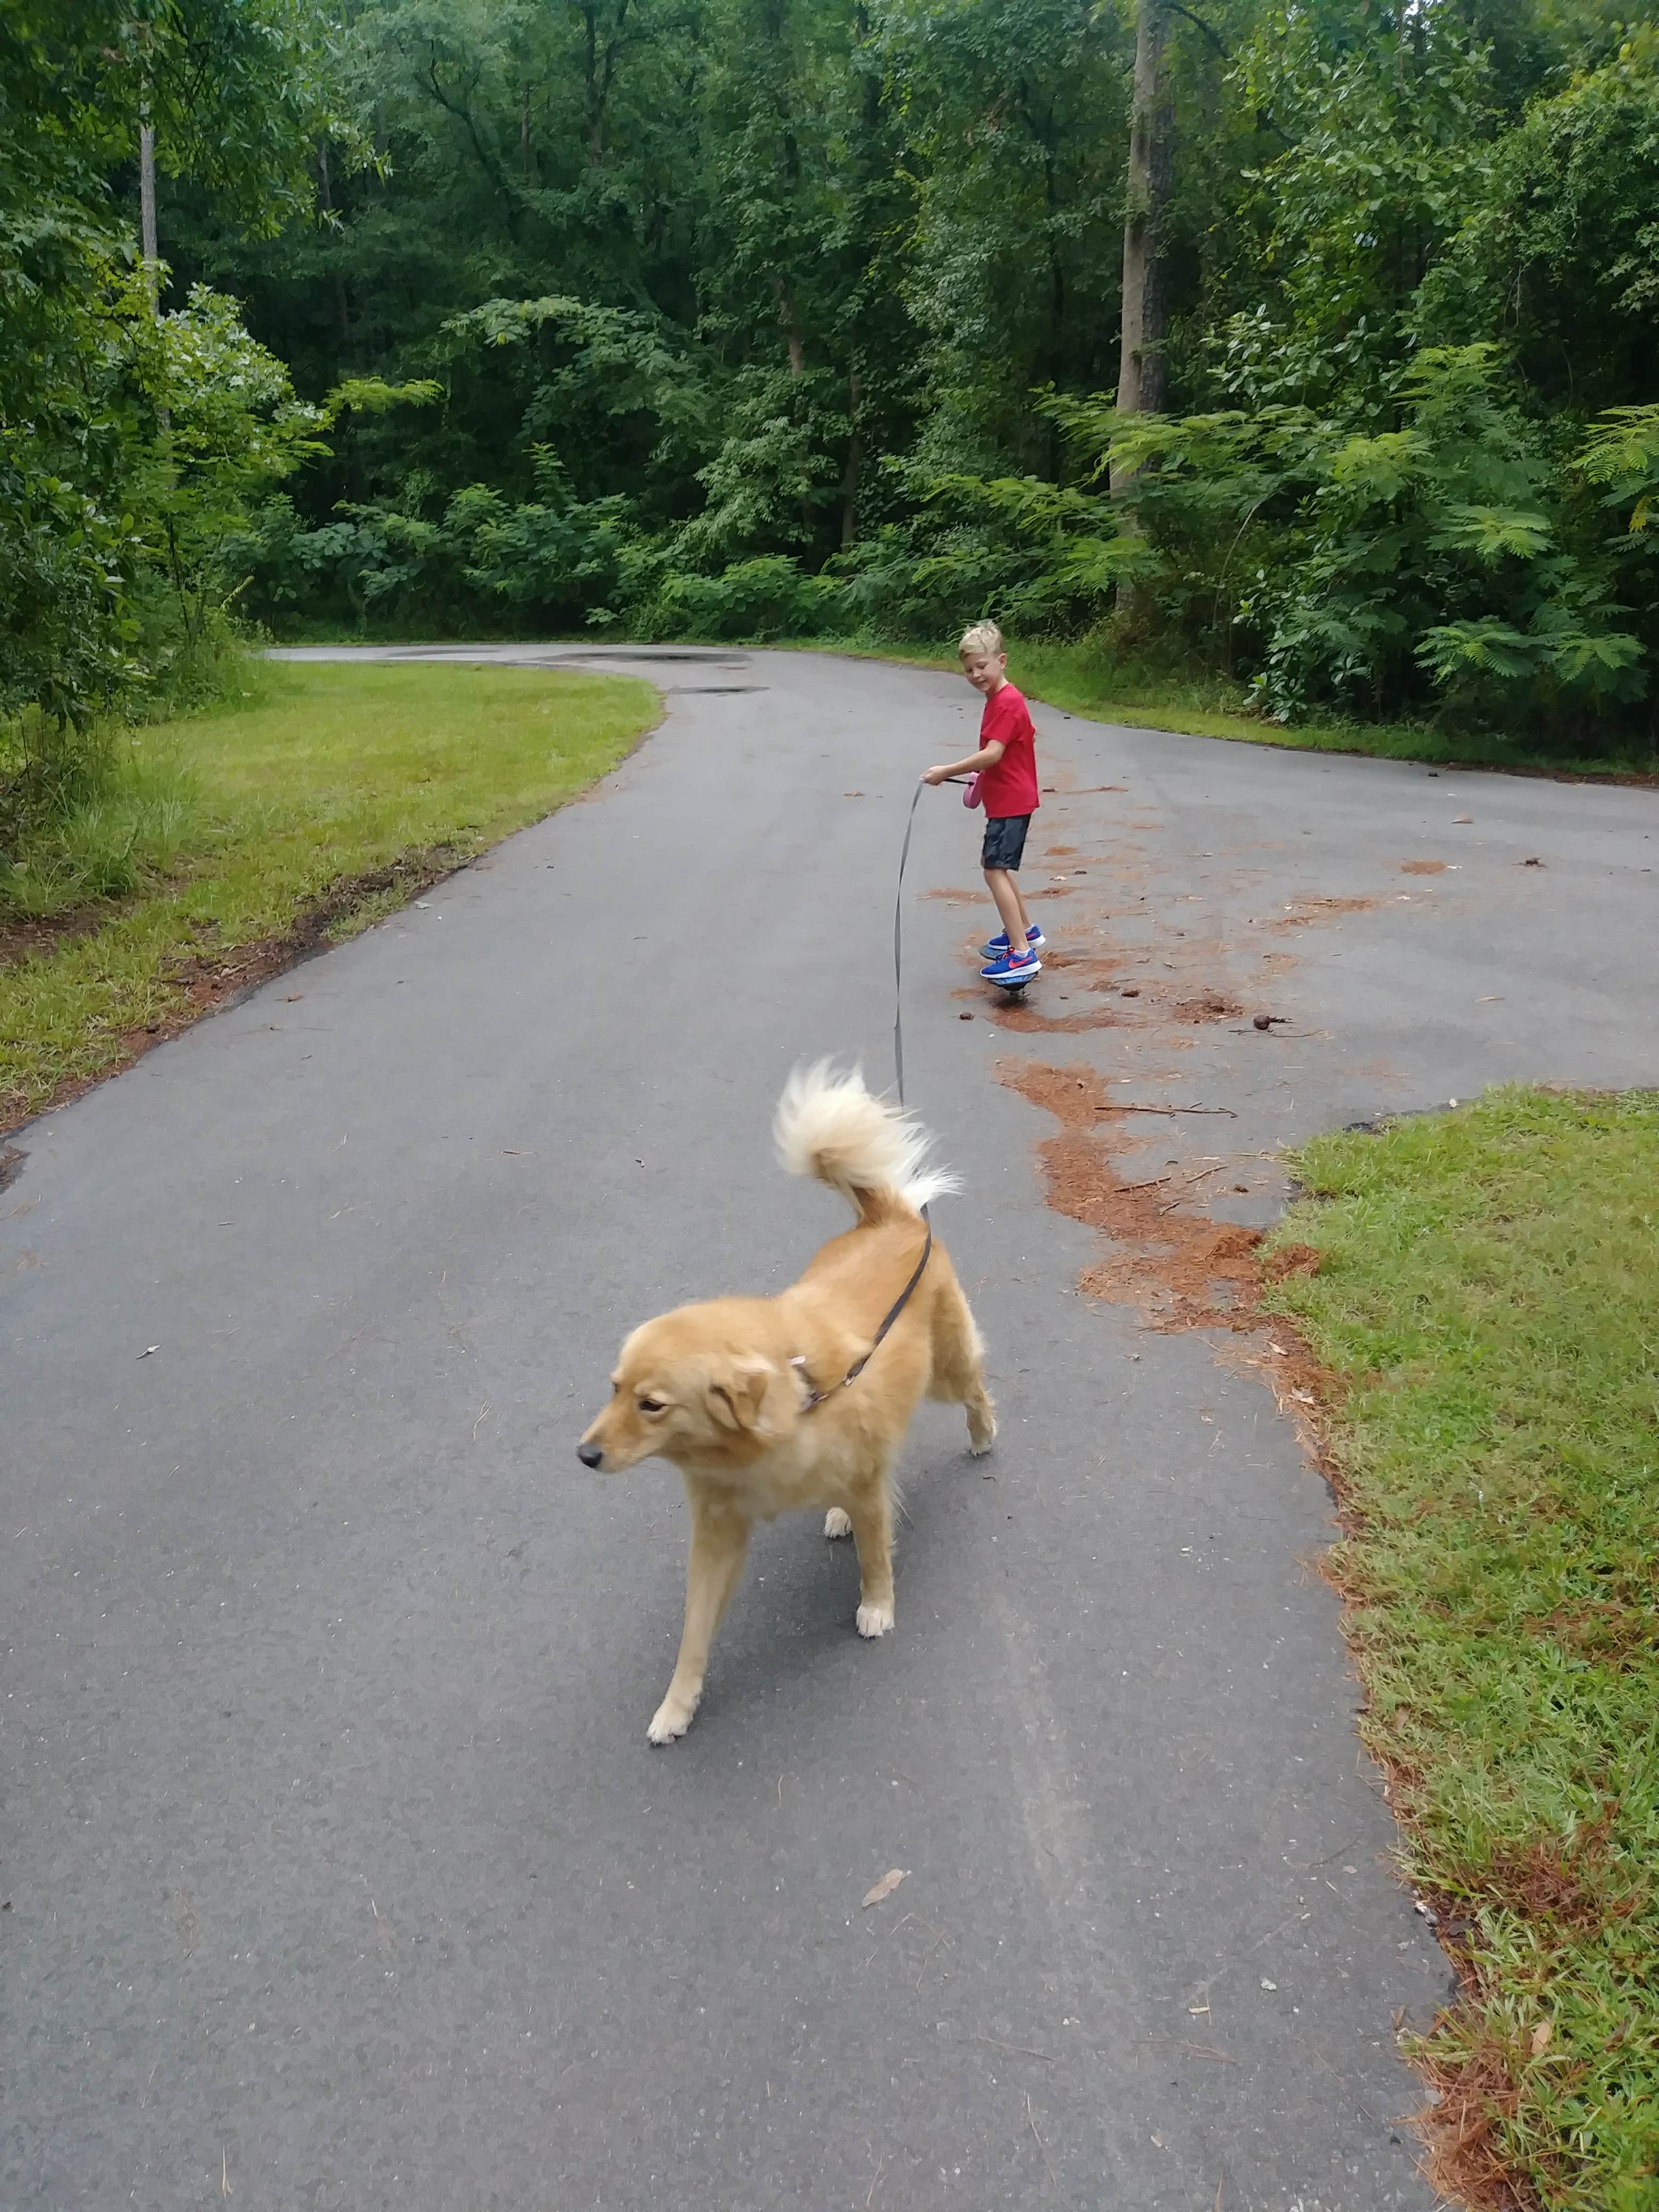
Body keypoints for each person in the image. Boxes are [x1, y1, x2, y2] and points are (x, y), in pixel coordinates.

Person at [923, 621, 1042, 982]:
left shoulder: (1006, 703)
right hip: (1008, 797)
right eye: (969, 670)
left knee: (993, 870)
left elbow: (993, 753)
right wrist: (980, 778)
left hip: (1012, 801)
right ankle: (1026, 931)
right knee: (999, 867)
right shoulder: (999, 700)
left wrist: (948, 770)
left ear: (1002, 660)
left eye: (982, 666)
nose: (976, 675)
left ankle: (1022, 953)